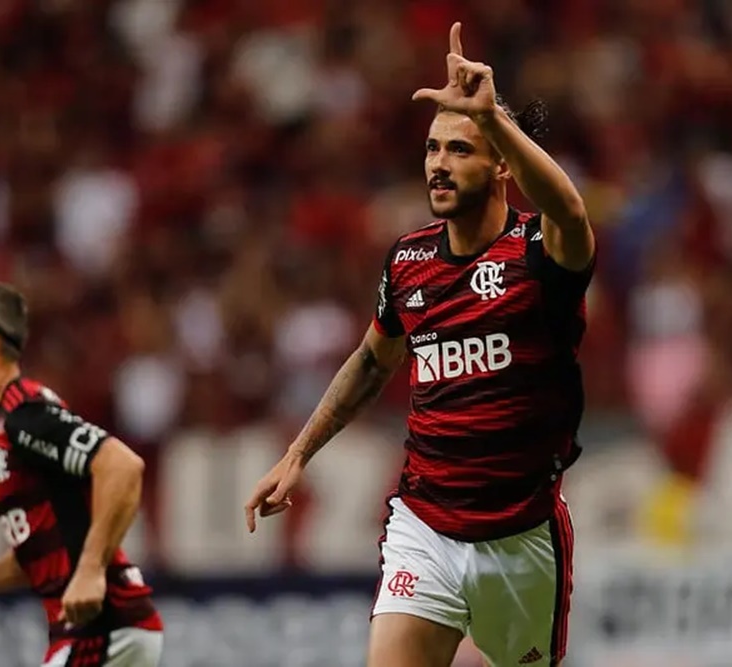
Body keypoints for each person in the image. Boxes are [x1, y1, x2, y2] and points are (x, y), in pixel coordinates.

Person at [245, 21, 596, 667]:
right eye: (433, 148)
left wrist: (495, 118)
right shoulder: (408, 262)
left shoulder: (540, 255)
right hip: (425, 527)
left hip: (522, 539)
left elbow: (572, 211)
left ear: (499, 164)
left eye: (460, 148)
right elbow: (371, 361)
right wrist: (299, 453)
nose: (438, 163)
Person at [0, 282, 163, 667]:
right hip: (97, 632)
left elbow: (122, 466)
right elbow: (44, 553)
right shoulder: (6, 428)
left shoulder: (24, 415)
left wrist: (90, 570)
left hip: (102, 631)